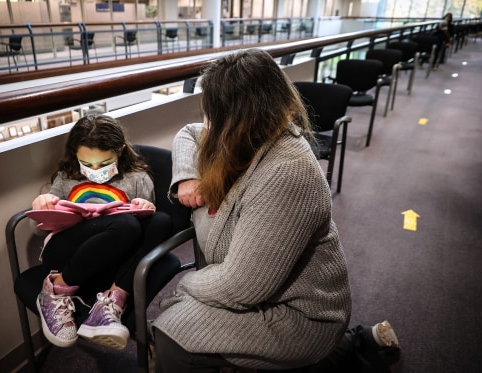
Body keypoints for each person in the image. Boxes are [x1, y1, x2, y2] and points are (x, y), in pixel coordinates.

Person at [152, 49, 400, 373]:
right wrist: (188, 177)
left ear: (238, 119)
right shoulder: (245, 137)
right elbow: (189, 133)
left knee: (174, 334)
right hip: (256, 289)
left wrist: (186, 289)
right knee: (176, 325)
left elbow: (242, 287)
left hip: (299, 315)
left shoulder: (287, 172)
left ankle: (342, 351)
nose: (206, 124)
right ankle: (353, 347)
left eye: (212, 115)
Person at [31, 114, 172, 350]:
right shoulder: (67, 178)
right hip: (69, 254)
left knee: (161, 221)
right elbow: (39, 231)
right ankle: (55, 291)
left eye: (104, 163)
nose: (95, 170)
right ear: (76, 155)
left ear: (120, 151)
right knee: (125, 225)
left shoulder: (137, 178)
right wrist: (43, 204)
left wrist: (144, 207)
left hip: (112, 262)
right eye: (87, 164)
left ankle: (110, 303)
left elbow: (144, 233)